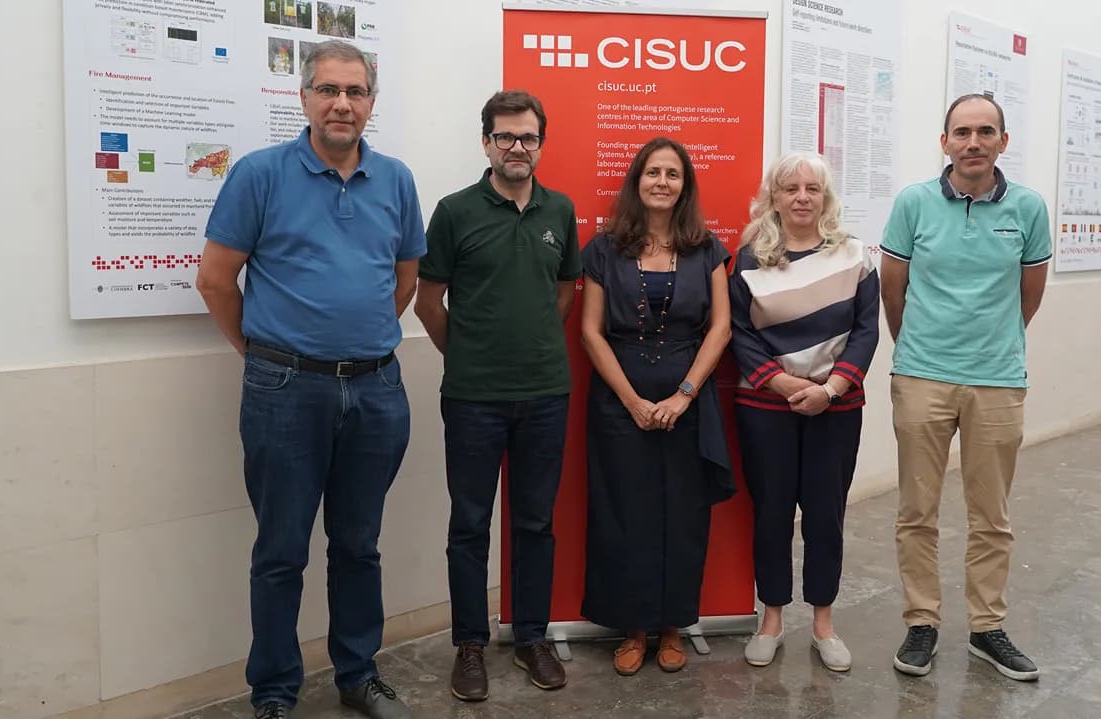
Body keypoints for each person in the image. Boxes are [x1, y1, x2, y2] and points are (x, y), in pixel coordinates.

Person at [196, 40, 422, 719]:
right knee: (281, 550)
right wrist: (262, 351)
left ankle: (358, 674)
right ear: (303, 99)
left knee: (359, 544)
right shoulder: (260, 175)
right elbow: (214, 278)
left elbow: (405, 277)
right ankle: (273, 690)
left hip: (377, 390)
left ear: (371, 104)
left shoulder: (397, 181)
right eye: (328, 90)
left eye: (355, 92)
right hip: (285, 390)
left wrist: (356, 338)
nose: (342, 103)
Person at [414, 90, 579, 702]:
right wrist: (470, 358)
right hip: (473, 399)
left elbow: (564, 294)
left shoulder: (559, 211)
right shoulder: (455, 211)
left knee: (535, 522)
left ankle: (532, 637)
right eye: (505, 136)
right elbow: (429, 303)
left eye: (528, 137)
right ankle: (470, 646)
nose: (517, 147)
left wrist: (529, 345)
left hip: (544, 394)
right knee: (470, 524)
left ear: (540, 143)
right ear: (486, 141)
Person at [880, 93, 1051, 682]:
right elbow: (893, 290)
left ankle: (987, 627)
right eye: (961, 132)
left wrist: (992, 343)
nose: (972, 142)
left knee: (991, 515)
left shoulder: (1029, 208)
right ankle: (922, 622)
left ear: (1004, 141)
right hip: (922, 376)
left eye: (985, 132)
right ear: (945, 140)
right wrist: (919, 349)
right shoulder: (914, 203)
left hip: (997, 380)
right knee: (917, 511)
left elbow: (1029, 295)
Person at [578, 137, 734, 676]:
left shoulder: (707, 249)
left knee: (682, 517)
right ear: (636, 182)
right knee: (626, 516)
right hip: (620, 406)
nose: (662, 182)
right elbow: (590, 332)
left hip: (689, 405)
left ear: (684, 185)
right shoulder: (603, 249)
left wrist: (682, 395)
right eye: (652, 172)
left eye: (672, 173)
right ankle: (633, 628)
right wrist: (633, 401)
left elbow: (720, 327)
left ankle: (672, 628)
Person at [728, 152, 879, 671]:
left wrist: (831, 390)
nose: (801, 198)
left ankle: (823, 622)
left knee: (825, 515)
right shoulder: (748, 257)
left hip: (835, 409)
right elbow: (740, 334)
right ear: (773, 196)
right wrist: (787, 384)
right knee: (770, 513)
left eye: (812, 189)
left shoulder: (855, 255)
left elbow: (866, 331)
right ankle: (771, 618)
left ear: (826, 197)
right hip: (766, 408)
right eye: (790, 188)